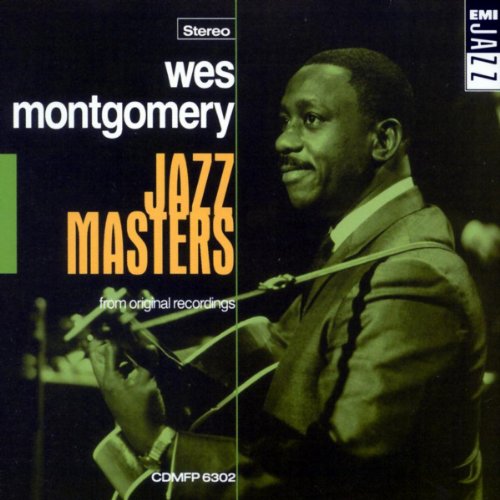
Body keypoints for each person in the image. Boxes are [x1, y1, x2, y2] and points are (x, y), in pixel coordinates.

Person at [89, 48, 486, 499]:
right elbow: (272, 381)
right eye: (284, 121)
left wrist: (157, 442)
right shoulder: (362, 250)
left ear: (383, 140)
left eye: (311, 119)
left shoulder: (412, 278)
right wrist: (152, 361)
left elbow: (332, 485)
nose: (283, 141)